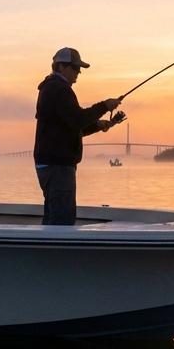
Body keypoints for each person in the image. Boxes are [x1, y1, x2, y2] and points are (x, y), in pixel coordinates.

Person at [33, 48, 121, 226]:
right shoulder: (59, 89)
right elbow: (77, 119)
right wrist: (104, 105)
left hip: (52, 163)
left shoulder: (52, 87)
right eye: (74, 68)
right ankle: (56, 253)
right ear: (62, 67)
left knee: (53, 214)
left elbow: (71, 125)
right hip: (57, 165)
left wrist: (97, 125)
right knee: (62, 218)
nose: (78, 72)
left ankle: (46, 251)